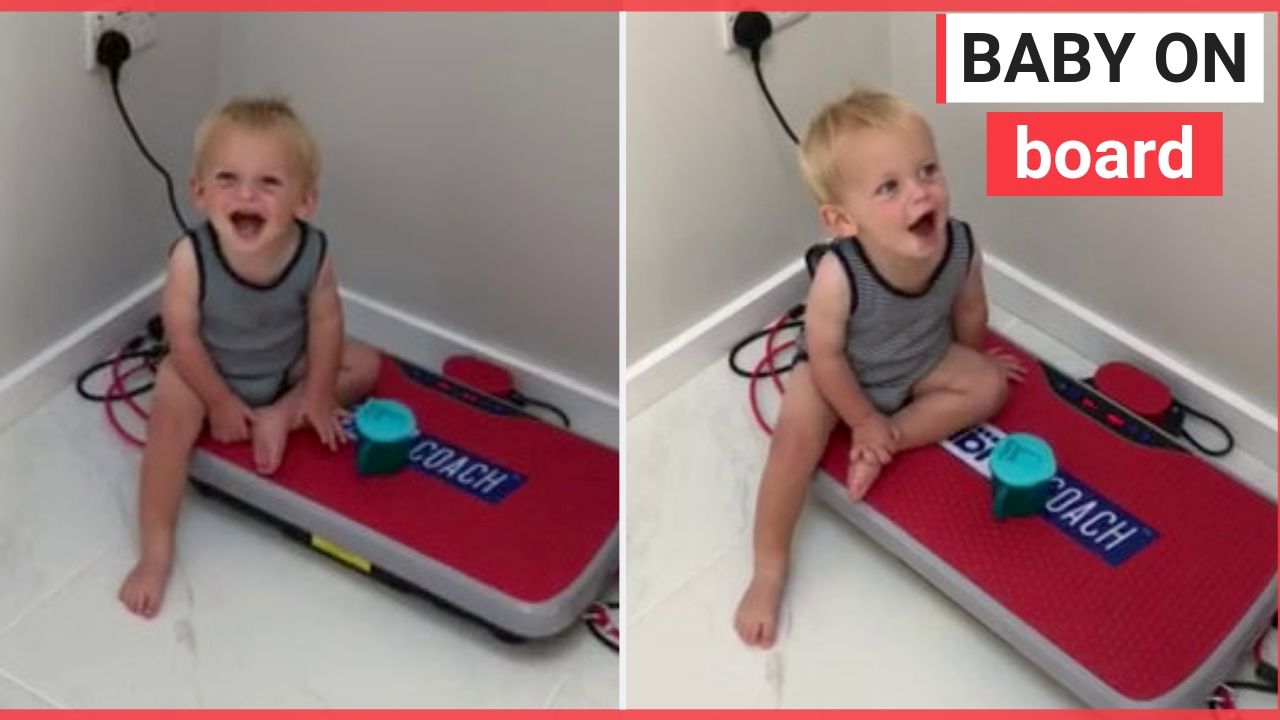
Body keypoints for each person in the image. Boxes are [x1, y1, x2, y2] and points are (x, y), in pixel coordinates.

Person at [734, 88, 1024, 648]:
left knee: (988, 386)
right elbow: (827, 356)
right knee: (793, 444)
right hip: (837, 374)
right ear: (842, 219)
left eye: (927, 170)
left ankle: (891, 438)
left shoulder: (960, 243)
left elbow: (969, 309)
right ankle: (768, 570)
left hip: (918, 359)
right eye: (890, 187)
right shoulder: (839, 276)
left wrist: (972, 356)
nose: (920, 192)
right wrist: (859, 416)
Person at [118, 97, 381, 618]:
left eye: (269, 183)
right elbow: (183, 339)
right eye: (228, 179)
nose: (246, 195)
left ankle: (282, 414)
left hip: (285, 368)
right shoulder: (190, 258)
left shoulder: (314, 251)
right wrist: (216, 401)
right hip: (205, 372)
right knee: (169, 424)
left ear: (304, 201)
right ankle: (156, 550)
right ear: (198, 192)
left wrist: (319, 395)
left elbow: (326, 324)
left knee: (366, 363)